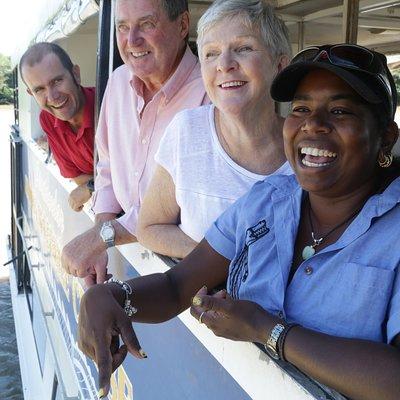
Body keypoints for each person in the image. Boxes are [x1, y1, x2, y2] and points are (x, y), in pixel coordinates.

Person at [78, 43, 400, 400]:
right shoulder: (267, 200)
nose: (313, 124)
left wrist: (266, 330)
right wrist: (111, 296)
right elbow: (176, 287)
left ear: (386, 137)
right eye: (301, 108)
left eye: (340, 111)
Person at [60, 0, 207, 285]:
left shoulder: (210, 93)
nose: (131, 40)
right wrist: (102, 231)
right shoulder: (117, 82)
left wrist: (103, 236)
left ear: (183, 25)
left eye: (147, 24)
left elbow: (185, 206)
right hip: (131, 256)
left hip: (182, 277)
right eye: (122, 27)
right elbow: (108, 167)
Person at [136, 0, 292, 259]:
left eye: (243, 48)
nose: (224, 64)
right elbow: (150, 227)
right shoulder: (186, 131)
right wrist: (224, 264)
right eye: (210, 53)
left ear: (279, 66)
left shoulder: (308, 147)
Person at [20, 42, 95, 212]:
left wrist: (91, 186)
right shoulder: (47, 119)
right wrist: (94, 184)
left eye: (57, 81)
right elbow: (77, 178)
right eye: (39, 90)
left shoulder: (109, 105)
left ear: (76, 74)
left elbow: (135, 175)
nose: (52, 97)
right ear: (31, 94)